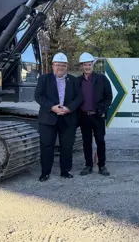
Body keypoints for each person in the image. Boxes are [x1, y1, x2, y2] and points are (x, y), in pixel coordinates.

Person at [34, 52, 83, 182]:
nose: (60, 68)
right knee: (46, 145)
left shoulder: (73, 80)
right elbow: (38, 96)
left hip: (68, 118)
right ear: (52, 66)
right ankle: (45, 172)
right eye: (57, 65)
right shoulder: (44, 79)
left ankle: (65, 171)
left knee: (67, 146)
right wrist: (52, 107)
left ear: (66, 66)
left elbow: (79, 97)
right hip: (48, 118)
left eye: (62, 65)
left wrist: (68, 108)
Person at [77, 52, 113, 176]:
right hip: (84, 116)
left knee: (100, 141)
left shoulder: (101, 79)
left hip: (98, 116)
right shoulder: (77, 81)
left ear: (92, 64)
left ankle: (102, 165)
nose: (87, 67)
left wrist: (104, 110)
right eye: (85, 65)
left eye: (89, 64)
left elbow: (109, 96)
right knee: (86, 142)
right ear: (81, 66)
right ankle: (88, 165)